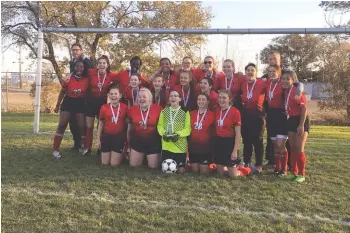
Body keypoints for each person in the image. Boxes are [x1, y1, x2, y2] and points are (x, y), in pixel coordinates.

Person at [262, 51, 303, 168]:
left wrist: (299, 91)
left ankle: (288, 164)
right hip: (271, 113)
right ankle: (274, 163)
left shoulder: (286, 75)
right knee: (274, 141)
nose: (272, 61)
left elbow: (298, 84)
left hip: (283, 113)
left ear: (280, 60)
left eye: (274, 59)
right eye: (270, 59)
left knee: (285, 141)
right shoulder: (267, 78)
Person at [54, 43, 93, 151]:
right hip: (70, 99)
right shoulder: (72, 62)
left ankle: (83, 145)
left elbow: (90, 74)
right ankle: (76, 144)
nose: (74, 52)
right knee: (70, 123)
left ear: (81, 50)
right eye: (73, 50)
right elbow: (70, 77)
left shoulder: (86, 61)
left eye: (77, 50)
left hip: (81, 100)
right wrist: (70, 76)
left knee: (81, 124)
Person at [52, 61, 89, 159]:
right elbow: (62, 91)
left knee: (82, 126)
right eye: (77, 66)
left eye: (81, 66)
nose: (79, 68)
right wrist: (57, 105)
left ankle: (83, 147)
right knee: (62, 125)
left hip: (80, 103)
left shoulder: (87, 79)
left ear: (84, 68)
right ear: (74, 68)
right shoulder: (68, 78)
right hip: (68, 102)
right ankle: (55, 149)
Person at [83, 55, 118, 156]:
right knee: (89, 126)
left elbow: (122, 80)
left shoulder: (112, 75)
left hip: (103, 102)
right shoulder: (91, 72)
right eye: (100, 63)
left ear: (107, 65)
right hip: (91, 101)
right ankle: (87, 148)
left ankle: (100, 147)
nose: (102, 65)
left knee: (101, 126)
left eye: (104, 63)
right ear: (97, 65)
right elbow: (79, 71)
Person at [214, 90, 250, 178]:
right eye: (220, 97)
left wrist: (235, 151)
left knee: (233, 176)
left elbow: (238, 133)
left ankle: (247, 169)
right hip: (219, 141)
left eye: (224, 98)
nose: (221, 100)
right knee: (221, 174)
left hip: (229, 142)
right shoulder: (217, 110)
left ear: (229, 99)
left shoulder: (235, 112)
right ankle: (227, 166)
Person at [282, 70, 310, 183]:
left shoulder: (297, 91)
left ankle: (301, 174)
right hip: (292, 120)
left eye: (287, 79)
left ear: (293, 81)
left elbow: (304, 108)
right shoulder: (286, 91)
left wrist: (301, 125)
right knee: (292, 147)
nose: (284, 81)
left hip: (301, 120)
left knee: (299, 148)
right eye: (283, 79)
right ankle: (294, 172)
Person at [157, 90, 191, 173]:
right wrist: (164, 133)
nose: (173, 97)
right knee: (167, 170)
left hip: (180, 146)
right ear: (168, 99)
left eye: (175, 96)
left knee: (181, 171)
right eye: (171, 96)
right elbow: (159, 125)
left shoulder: (185, 111)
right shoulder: (164, 111)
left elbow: (188, 129)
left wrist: (178, 134)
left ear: (180, 99)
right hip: (167, 146)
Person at [128, 88, 162, 168]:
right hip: (138, 141)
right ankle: (142, 156)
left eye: (144, 97)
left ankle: (148, 157)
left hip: (153, 142)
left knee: (153, 167)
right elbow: (129, 129)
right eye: (139, 97)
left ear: (150, 99)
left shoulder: (158, 109)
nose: (141, 99)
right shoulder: (132, 109)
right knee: (133, 165)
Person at [241, 63, 266, 173]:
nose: (250, 72)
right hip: (246, 115)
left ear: (256, 73)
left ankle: (259, 164)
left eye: (252, 70)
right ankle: (246, 162)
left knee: (258, 141)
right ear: (245, 72)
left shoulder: (262, 83)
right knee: (246, 141)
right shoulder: (243, 83)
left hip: (258, 115)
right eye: (248, 70)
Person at [97, 84, 128, 166]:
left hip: (118, 137)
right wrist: (98, 139)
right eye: (111, 94)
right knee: (105, 163)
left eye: (115, 94)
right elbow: (101, 124)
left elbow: (128, 124)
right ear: (108, 96)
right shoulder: (104, 107)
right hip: (106, 137)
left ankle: (123, 152)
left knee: (114, 164)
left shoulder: (124, 107)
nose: (113, 96)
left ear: (120, 96)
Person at [266, 65, 288, 176]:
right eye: (269, 71)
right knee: (275, 144)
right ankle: (277, 167)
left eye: (274, 71)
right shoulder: (267, 82)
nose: (271, 73)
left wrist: (300, 89)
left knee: (280, 144)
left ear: (279, 73)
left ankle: (284, 168)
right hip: (271, 115)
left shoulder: (283, 83)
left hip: (281, 115)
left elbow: (297, 84)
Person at [188, 93, 215, 173]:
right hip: (193, 147)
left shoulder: (212, 115)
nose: (201, 101)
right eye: (199, 99)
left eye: (203, 100)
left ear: (208, 102)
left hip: (205, 148)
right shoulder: (191, 114)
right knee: (195, 170)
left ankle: (214, 165)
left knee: (204, 172)